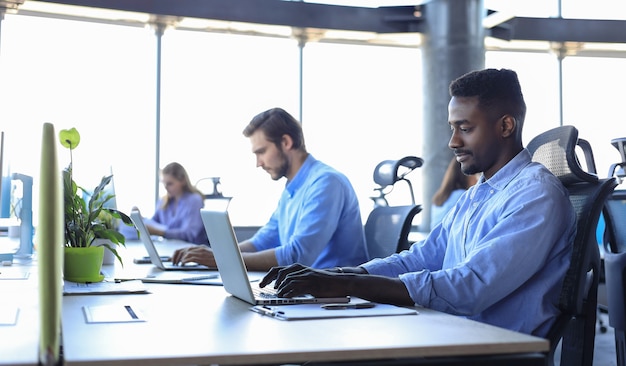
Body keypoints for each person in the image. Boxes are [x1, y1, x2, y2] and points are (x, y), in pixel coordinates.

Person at [259, 68, 576, 338]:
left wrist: (349, 284)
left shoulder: (535, 195)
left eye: (465, 129)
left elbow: (470, 287)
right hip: (451, 332)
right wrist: (339, 275)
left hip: (490, 348)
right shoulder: (478, 195)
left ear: (506, 126)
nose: (453, 141)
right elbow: (421, 258)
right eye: (453, 128)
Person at [172, 107, 368, 271]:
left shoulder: (326, 183)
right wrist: (218, 253)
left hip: (338, 300)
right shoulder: (293, 187)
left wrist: (223, 261)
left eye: (261, 152)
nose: (258, 163)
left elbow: (297, 256)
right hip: (307, 292)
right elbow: (263, 241)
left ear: (286, 142)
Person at [121, 162, 209, 245]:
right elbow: (155, 223)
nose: (166, 188)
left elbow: (190, 234)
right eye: (164, 184)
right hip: (169, 247)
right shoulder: (163, 201)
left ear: (183, 181)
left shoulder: (194, 200)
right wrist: (141, 220)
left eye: (170, 184)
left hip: (191, 250)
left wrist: (159, 232)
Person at [430, 157, 479, 230]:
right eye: (476, 175)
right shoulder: (463, 195)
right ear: (467, 176)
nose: (478, 179)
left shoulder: (440, 196)